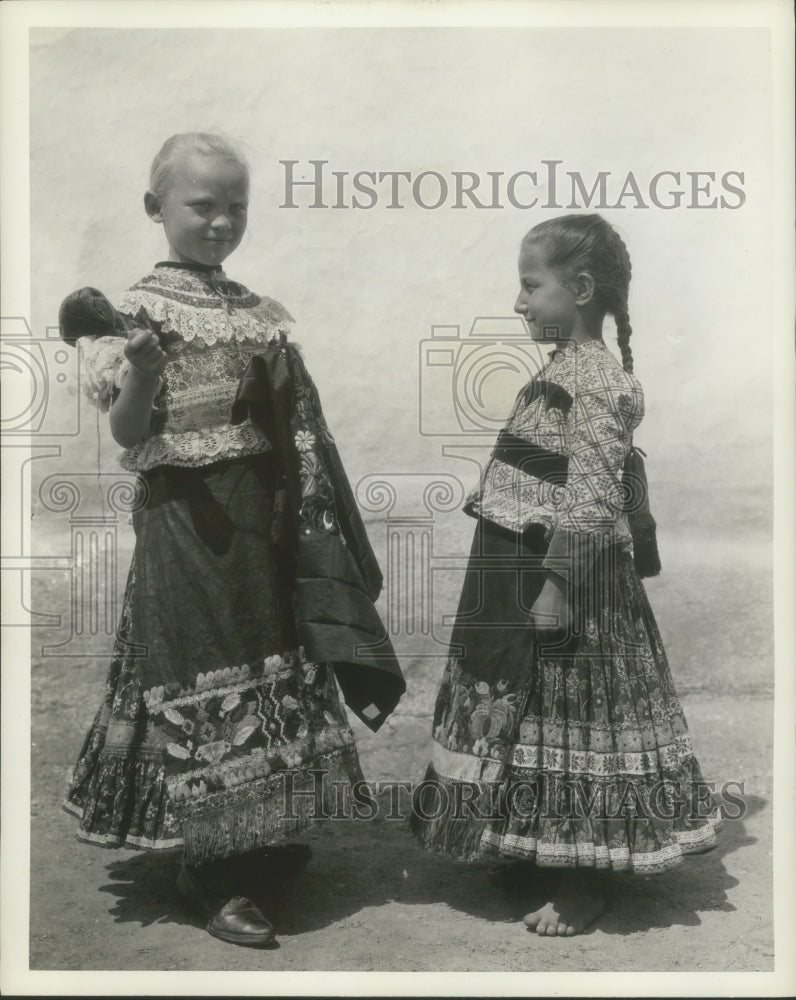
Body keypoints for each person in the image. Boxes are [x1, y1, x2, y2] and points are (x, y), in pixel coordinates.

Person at [62, 132, 404, 948]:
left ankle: (261, 827)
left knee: (268, 655)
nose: (220, 223)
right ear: (156, 209)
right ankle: (212, 871)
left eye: (235, 207)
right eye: (201, 206)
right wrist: (142, 371)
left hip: (261, 518)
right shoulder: (132, 313)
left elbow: (289, 422)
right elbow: (127, 431)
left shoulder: (257, 312)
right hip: (185, 522)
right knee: (195, 664)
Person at [411, 214, 721, 937]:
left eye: (531, 285)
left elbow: (591, 497)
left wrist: (555, 588)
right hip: (522, 571)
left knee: (572, 720)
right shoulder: (564, 371)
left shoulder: (594, 381)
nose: (519, 302)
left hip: (569, 591)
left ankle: (582, 880)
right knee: (530, 719)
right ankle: (537, 843)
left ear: (580, 288)